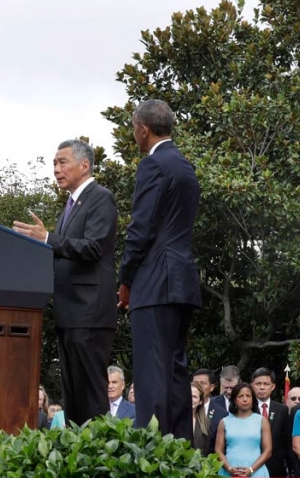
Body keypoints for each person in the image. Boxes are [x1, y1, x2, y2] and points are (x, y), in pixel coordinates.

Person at [12, 139, 118, 425]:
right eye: (54, 164)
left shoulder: (100, 197)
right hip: (69, 313)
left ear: (84, 165)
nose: (56, 169)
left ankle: (98, 455)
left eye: (62, 162)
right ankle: (78, 454)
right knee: (73, 395)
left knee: (91, 394)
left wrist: (47, 238)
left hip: (90, 312)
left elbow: (93, 248)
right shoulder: (71, 204)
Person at [117, 100, 201, 441]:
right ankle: (181, 450)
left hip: (154, 282)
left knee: (151, 374)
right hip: (182, 282)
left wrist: (126, 279)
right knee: (176, 372)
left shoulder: (152, 165)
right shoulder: (185, 166)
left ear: (143, 129)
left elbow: (141, 228)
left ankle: (151, 455)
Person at [215, 383, 272, 478]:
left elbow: (268, 451)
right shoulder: (224, 422)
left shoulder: (262, 421)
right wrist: (229, 469)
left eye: (248, 396)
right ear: (234, 400)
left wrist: (251, 469)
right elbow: (218, 450)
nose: (245, 399)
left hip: (256, 471)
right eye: (240, 396)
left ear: (253, 399)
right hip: (229, 471)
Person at [251, 368, 290, 478]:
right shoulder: (247, 409)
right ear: (252, 386)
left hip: (276, 467)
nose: (262, 387)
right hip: (251, 464)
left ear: (272, 386)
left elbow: (286, 441)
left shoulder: (282, 410)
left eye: (266, 384)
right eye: (258, 384)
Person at [208, 366, 240, 449]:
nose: (229, 391)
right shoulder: (211, 403)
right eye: (225, 387)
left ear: (240, 383)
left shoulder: (247, 403)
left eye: (232, 388)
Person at [190, 383, 211, 456]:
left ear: (200, 401)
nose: (190, 399)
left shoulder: (206, 423)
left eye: (194, 397)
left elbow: (205, 450)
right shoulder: (174, 420)